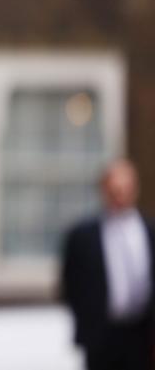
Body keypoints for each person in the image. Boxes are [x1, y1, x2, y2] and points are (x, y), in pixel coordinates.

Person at [61, 158, 155, 370]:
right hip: (101, 337)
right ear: (103, 191)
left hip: (143, 335)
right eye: (114, 190)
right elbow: (70, 285)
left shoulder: (150, 231)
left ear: (135, 189)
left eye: (125, 189)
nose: (120, 196)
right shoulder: (82, 236)